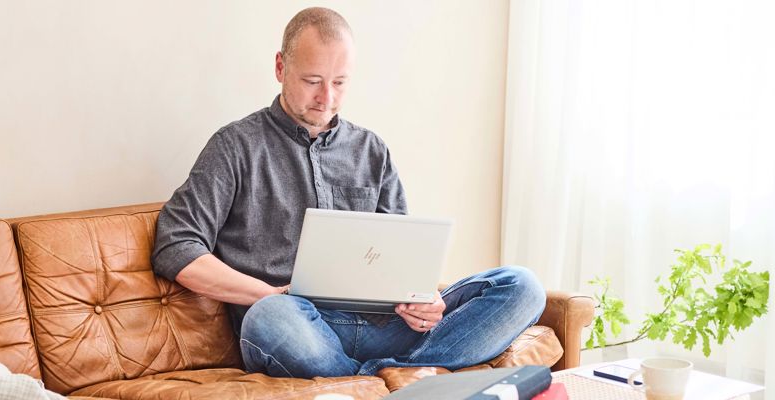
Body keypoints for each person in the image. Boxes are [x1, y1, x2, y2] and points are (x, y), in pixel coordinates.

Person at [150, 7, 545, 379]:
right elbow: (175, 244)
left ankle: (372, 377)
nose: (327, 98)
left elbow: (401, 258)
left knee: (521, 285)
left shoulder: (371, 150)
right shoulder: (235, 146)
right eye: (312, 81)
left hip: (383, 326)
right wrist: (269, 293)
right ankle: (398, 378)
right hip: (295, 328)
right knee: (268, 316)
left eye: (340, 83)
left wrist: (423, 301)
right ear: (280, 67)